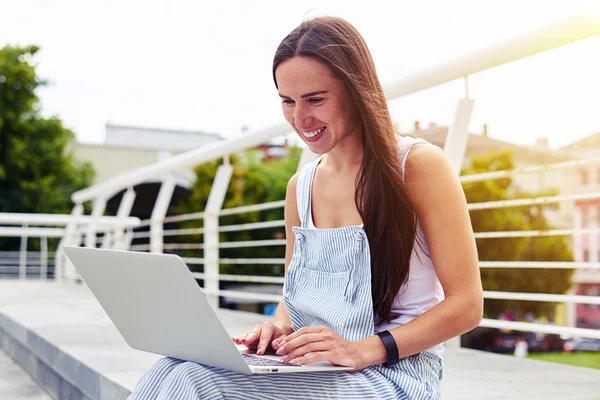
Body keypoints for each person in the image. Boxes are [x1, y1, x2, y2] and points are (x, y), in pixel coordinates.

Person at [128, 16, 483, 400]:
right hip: (316, 368)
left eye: (315, 99)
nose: (301, 119)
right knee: (174, 366)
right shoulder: (301, 187)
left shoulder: (416, 165)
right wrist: (277, 327)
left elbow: (466, 305)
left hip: (393, 375)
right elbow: (295, 294)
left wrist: (361, 350)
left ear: (356, 90)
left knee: (196, 381)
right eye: (287, 101)